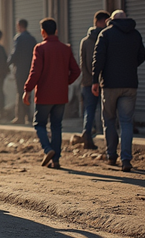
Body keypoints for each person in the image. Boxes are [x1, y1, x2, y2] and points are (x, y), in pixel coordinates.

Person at [23, 18, 80, 169]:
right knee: (56, 126)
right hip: (60, 96)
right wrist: (65, 82)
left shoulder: (40, 48)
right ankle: (56, 160)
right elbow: (76, 70)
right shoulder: (66, 48)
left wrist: (27, 90)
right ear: (56, 31)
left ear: (43, 32)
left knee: (39, 124)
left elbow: (35, 72)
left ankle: (48, 149)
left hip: (44, 96)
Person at [92, 10, 145, 172]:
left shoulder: (105, 34)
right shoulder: (135, 34)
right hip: (130, 84)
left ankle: (111, 155)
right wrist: (129, 67)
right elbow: (142, 55)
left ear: (111, 20)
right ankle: (126, 159)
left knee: (109, 120)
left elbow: (98, 57)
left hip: (109, 84)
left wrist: (95, 80)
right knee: (126, 122)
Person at [78, 10, 109, 149]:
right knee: (104, 111)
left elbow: (82, 63)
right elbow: (92, 63)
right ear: (98, 22)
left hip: (87, 81)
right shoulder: (101, 38)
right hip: (97, 81)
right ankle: (92, 136)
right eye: (105, 21)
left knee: (89, 110)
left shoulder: (85, 41)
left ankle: (87, 134)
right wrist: (96, 78)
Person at [9, 19, 37, 124]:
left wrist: (7, 64)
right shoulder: (32, 39)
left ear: (20, 26)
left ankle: (20, 117)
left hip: (20, 70)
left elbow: (14, 54)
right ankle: (28, 117)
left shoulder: (19, 38)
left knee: (20, 92)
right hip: (30, 70)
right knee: (28, 91)